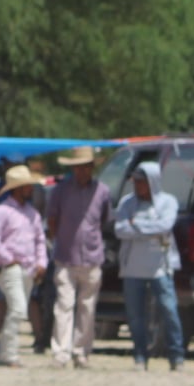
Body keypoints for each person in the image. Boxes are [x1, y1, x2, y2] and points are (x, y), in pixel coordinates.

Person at [115, 160, 183, 370]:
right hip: (132, 268)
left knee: (169, 310)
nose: (137, 185)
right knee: (135, 315)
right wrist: (148, 230)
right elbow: (120, 229)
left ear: (152, 182)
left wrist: (137, 226)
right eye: (135, 181)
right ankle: (140, 355)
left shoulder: (168, 202)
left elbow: (165, 225)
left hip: (160, 267)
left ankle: (176, 356)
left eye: (141, 182)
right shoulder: (127, 203)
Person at [47, 146, 110, 368]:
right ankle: (61, 353)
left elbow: (103, 219)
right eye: (77, 168)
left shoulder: (102, 191)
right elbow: (52, 219)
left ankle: (81, 351)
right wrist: (60, 240)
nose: (81, 171)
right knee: (64, 305)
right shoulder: (60, 191)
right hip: (65, 256)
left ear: (92, 167)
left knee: (88, 307)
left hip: (92, 257)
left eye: (85, 167)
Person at [0, 165, 45, 368]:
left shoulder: (32, 214)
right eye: (27, 185)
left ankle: (4, 353)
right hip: (9, 267)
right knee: (18, 309)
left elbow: (40, 240)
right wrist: (8, 258)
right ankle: (9, 354)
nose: (31, 189)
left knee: (16, 309)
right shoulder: (0, 211)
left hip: (28, 268)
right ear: (18, 188)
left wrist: (41, 262)